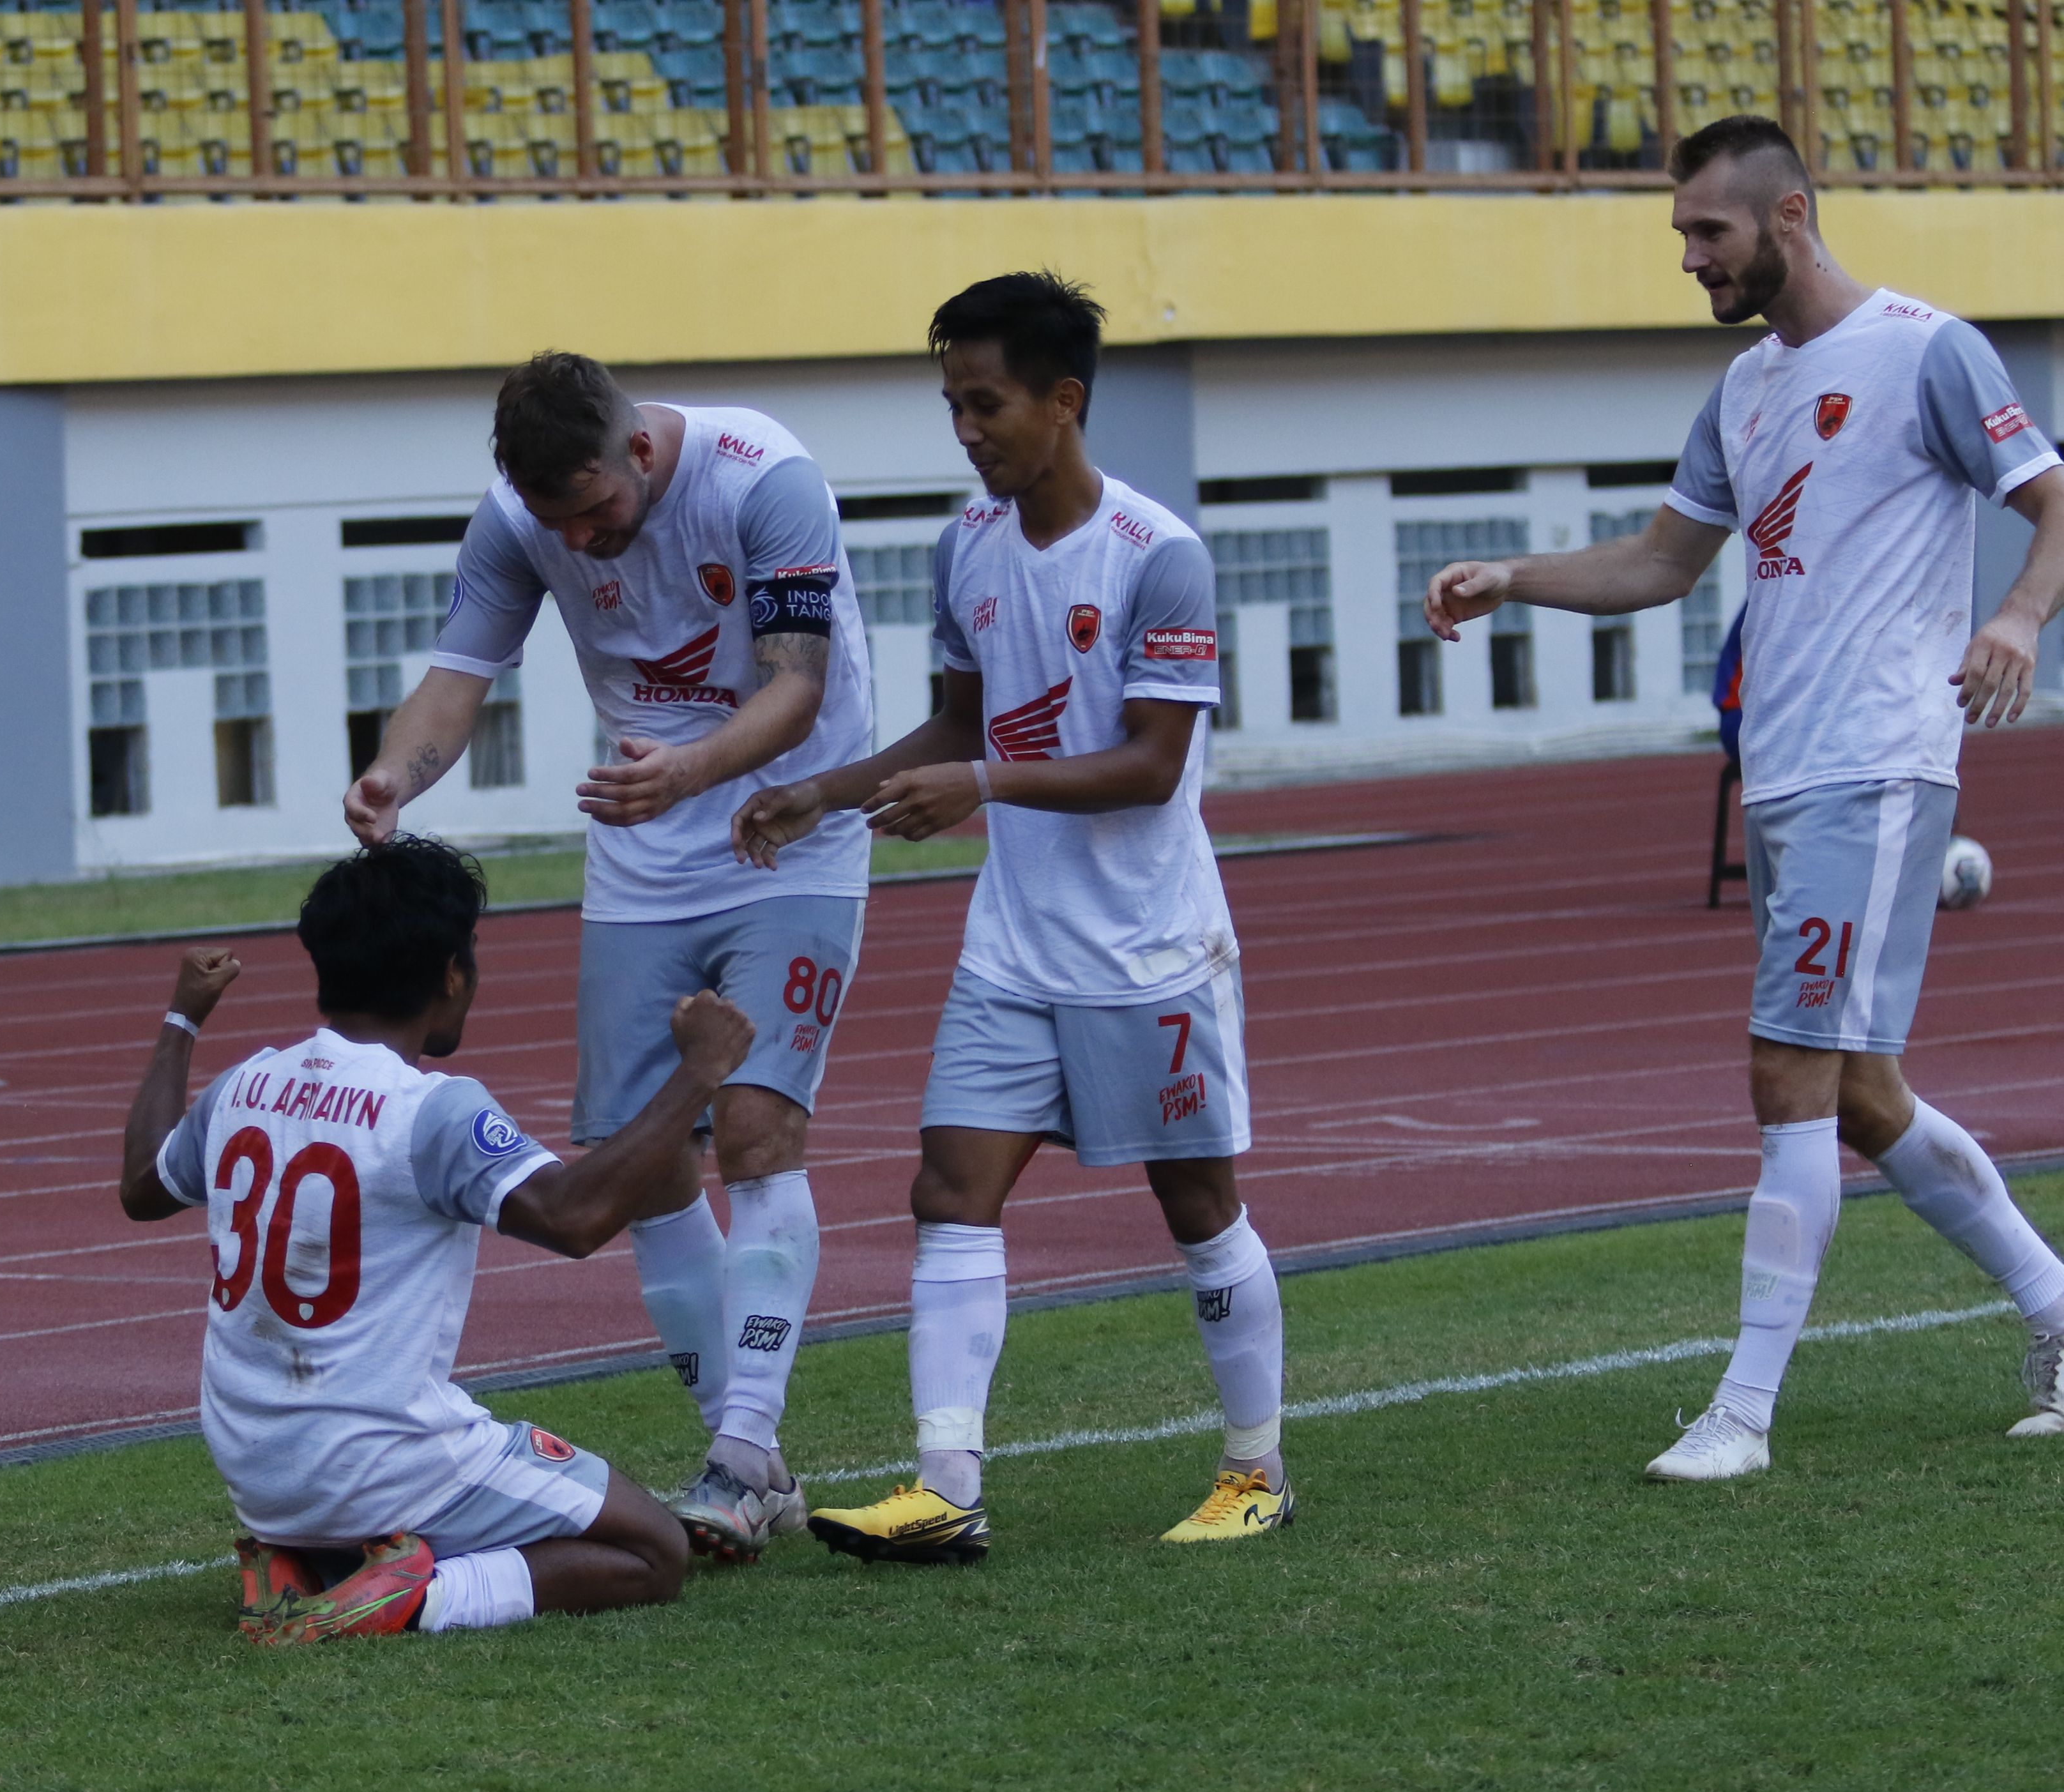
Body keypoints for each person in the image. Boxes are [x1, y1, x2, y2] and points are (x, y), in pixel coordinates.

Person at [1420, 115, 2064, 1480]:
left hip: (1877, 762)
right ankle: (2061, 1311)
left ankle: (1744, 1412)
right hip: (1783, 769)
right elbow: (1664, 562)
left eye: (1706, 232)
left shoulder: (1923, 348)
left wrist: (2016, 618)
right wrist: (1513, 577)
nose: (1690, 258)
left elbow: (2053, 496)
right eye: (1681, 235)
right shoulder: (1745, 388)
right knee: (1863, 1095)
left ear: (1788, 217)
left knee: (1786, 1072)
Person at [731, 270, 1294, 1557]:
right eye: (952, 406)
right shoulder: (965, 545)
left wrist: (979, 784)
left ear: (1064, 401)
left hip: (1148, 947)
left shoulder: (1161, 559)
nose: (967, 431)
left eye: (985, 405)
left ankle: (1255, 1468)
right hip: (1015, 947)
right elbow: (960, 720)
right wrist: (823, 790)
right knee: (950, 1188)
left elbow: (1153, 765)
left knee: (1196, 1205)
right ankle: (946, 1487)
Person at [342, 354, 878, 1563]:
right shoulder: (517, 518)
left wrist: (684, 773)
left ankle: (740, 1451)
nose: (578, 542)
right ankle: (748, 1464)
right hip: (642, 855)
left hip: (785, 830)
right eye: (553, 523)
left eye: (592, 513)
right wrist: (395, 776)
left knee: (750, 1129)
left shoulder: (764, 481)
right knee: (642, 1164)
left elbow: (799, 689)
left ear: (638, 452)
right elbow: (455, 679)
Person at [117, 835, 752, 1643]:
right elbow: (575, 1219)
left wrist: (181, 1020)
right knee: (652, 1550)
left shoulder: (246, 1081)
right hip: (375, 1465)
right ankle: (410, 1598)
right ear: (453, 974)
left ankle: (311, 1565)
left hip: (259, 1474)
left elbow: (143, 1187)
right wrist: (697, 1074)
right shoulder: (431, 1108)